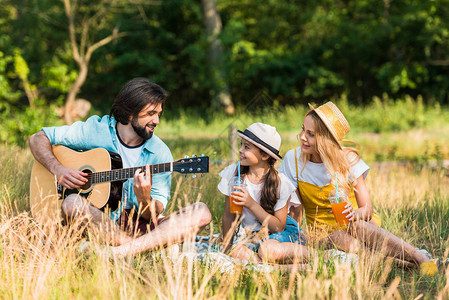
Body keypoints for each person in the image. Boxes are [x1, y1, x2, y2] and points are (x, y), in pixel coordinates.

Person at [29, 77, 211, 258]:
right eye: (150, 113)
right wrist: (58, 170)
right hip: (98, 220)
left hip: (138, 224)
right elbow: (38, 138)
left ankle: (117, 253)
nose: (156, 120)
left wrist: (145, 199)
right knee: (71, 203)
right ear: (130, 112)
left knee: (201, 212)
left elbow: (151, 217)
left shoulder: (160, 153)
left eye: (158, 114)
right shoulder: (97, 130)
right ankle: (145, 250)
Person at [278, 101, 438, 275]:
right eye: (303, 130)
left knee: (356, 227)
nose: (302, 137)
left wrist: (354, 214)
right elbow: (294, 211)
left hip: (359, 225)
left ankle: (420, 258)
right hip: (323, 235)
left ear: (326, 139)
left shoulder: (347, 159)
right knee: (340, 237)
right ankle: (410, 264)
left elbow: (368, 209)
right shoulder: (293, 159)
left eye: (311, 134)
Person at [219, 123, 310, 265]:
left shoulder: (280, 182)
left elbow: (278, 227)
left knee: (267, 250)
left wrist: (251, 204)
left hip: (282, 233)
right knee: (236, 251)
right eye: (241, 145)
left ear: (265, 155)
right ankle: (267, 266)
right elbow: (227, 216)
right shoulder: (233, 174)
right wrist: (226, 249)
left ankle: (315, 255)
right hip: (254, 237)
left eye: (246, 147)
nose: (240, 150)